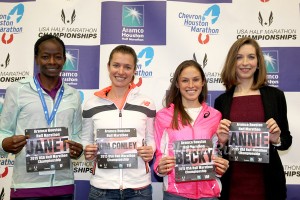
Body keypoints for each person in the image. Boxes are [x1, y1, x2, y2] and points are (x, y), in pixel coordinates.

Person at [0, 34, 83, 200]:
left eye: (58, 57)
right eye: (45, 57)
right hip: (26, 187)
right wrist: (4, 144)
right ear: (36, 59)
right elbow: (3, 131)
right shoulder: (17, 90)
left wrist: (78, 149)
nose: (52, 62)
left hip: (63, 187)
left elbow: (77, 135)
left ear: (64, 60)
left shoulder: (73, 95)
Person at [214, 37, 292, 200]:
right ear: (232, 62)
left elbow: (286, 140)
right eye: (239, 57)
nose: (245, 62)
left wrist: (276, 140)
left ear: (258, 62)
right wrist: (221, 143)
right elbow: (219, 151)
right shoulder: (222, 101)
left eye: (251, 57)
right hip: (232, 184)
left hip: (268, 185)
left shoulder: (275, 96)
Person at [82, 45, 156, 200]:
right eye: (116, 65)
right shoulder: (91, 104)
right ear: (108, 67)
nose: (121, 72)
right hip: (102, 190)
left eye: (127, 67)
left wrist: (150, 150)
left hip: (139, 190)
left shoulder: (147, 103)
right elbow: (86, 139)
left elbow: (151, 138)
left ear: (135, 70)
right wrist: (88, 151)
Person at [154, 60, 229, 200]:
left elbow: (217, 152)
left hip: (209, 195)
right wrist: (160, 168)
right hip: (175, 195)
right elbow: (159, 154)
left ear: (203, 82)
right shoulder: (163, 116)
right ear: (177, 83)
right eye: (185, 80)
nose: (191, 85)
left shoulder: (215, 115)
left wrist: (220, 166)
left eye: (195, 80)